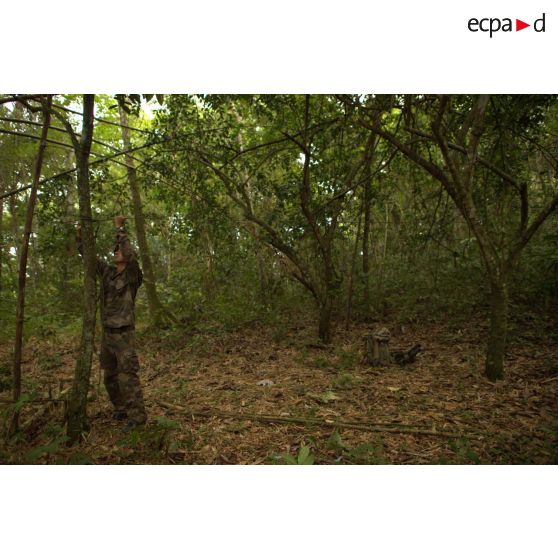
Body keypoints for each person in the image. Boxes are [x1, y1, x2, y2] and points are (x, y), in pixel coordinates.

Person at [77, 215, 147, 432]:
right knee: (110, 375)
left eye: (118, 249)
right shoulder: (107, 272)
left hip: (124, 333)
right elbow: (88, 258)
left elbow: (130, 254)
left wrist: (120, 228)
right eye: (114, 249)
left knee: (128, 375)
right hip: (107, 333)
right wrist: (80, 236)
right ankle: (121, 407)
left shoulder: (132, 275)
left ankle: (138, 417)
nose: (116, 251)